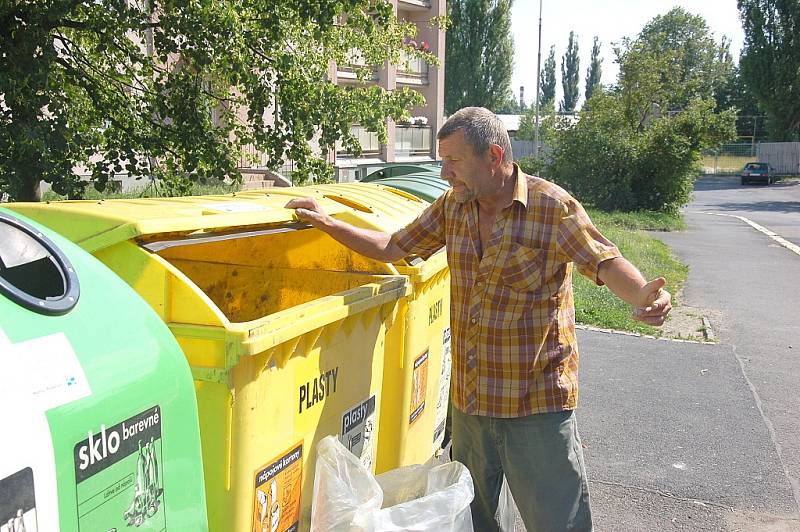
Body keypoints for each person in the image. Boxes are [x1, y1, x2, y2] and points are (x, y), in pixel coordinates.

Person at [285, 107, 671, 531]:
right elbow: (392, 247)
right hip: (470, 406)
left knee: (558, 523)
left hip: (534, 407)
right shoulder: (454, 207)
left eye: (453, 161)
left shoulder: (551, 207)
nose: (445, 172)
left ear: (493, 156)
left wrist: (643, 296)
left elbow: (604, 260)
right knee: (476, 522)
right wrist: (326, 221)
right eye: (442, 161)